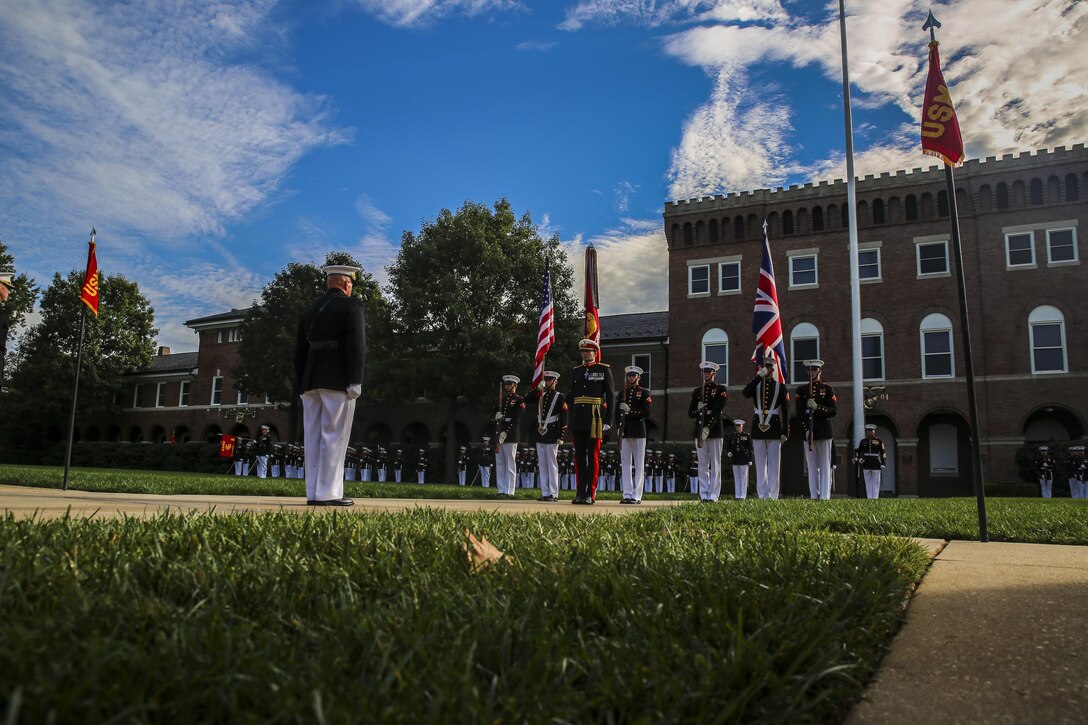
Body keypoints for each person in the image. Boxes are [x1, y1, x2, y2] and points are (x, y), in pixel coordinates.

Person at [294, 263, 366, 506]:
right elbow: (356, 344)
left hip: (310, 379)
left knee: (312, 437)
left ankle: (313, 493)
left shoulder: (309, 311)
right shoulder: (351, 305)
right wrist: (355, 379)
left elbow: (299, 352)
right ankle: (329, 493)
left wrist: (301, 384)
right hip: (337, 379)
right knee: (334, 436)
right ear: (347, 283)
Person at [568, 338, 615, 504]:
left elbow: (610, 395)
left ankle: (590, 493)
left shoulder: (603, 369)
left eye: (588, 351)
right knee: (579, 457)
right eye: (583, 351)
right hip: (578, 419)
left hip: (595, 419)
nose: (585, 354)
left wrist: (607, 420)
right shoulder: (577, 371)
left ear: (595, 353)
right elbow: (572, 396)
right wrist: (570, 420)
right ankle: (580, 492)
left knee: (592, 456)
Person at [743, 349, 790, 500]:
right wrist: (758, 377)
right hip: (758, 427)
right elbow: (745, 393)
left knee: (774, 465)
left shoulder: (781, 387)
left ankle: (773, 495)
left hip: (774, 427)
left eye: (769, 367)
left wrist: (785, 431)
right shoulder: (756, 384)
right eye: (764, 367)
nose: (766, 370)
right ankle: (762, 494)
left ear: (773, 369)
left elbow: (786, 411)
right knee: (760, 464)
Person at [795, 359, 837, 500]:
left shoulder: (828, 389)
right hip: (809, 432)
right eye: (810, 370)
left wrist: (817, 407)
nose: (812, 372)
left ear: (819, 371)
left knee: (825, 465)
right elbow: (800, 414)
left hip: (824, 431)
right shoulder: (801, 391)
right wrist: (806, 430)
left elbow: (833, 410)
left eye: (814, 370)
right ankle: (814, 495)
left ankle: (825, 496)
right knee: (811, 466)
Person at [689, 361, 728, 503]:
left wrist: (708, 428)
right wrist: (697, 409)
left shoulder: (720, 389)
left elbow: (717, 410)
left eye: (709, 372)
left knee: (715, 463)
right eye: (704, 372)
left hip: (715, 431)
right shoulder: (697, 391)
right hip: (699, 431)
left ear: (714, 374)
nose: (706, 374)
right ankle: (704, 493)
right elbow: (691, 413)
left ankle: (714, 494)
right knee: (702, 464)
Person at [528, 370, 567, 502]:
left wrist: (561, 435)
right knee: (542, 464)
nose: (547, 382)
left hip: (552, 432)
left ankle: (553, 493)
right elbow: (527, 399)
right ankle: (545, 492)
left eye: (550, 380)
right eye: (546, 380)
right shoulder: (541, 395)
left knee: (552, 463)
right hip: (540, 432)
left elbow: (564, 417)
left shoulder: (560, 397)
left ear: (555, 382)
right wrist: (536, 389)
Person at [616, 365, 652, 504]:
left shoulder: (644, 393)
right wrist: (619, 427)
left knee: (638, 463)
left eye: (633, 375)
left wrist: (630, 411)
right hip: (625, 431)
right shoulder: (622, 393)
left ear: (638, 377)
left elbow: (647, 412)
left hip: (638, 431)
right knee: (625, 463)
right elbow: (617, 412)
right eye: (629, 376)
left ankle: (636, 495)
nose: (631, 377)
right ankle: (627, 493)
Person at [492, 375, 525, 497]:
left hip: (510, 436)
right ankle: (501, 489)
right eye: (506, 384)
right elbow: (493, 416)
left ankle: (510, 490)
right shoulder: (501, 400)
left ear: (514, 386)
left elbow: (517, 420)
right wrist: (496, 416)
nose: (507, 387)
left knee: (510, 464)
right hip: (499, 434)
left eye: (509, 384)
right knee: (500, 464)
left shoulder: (519, 400)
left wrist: (506, 432)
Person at [855, 424, 888, 499]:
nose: (870, 432)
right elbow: (859, 451)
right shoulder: (863, 441)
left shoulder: (878, 441)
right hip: (866, 462)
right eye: (868, 431)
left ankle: (875, 497)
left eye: (871, 430)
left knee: (876, 482)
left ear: (874, 431)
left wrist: (883, 462)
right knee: (868, 482)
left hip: (875, 462)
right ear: (866, 432)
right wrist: (859, 458)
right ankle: (869, 497)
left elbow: (883, 452)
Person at [725, 419, 754, 500]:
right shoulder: (732, 436)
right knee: (737, 478)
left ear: (742, 426)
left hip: (744, 459)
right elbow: (728, 446)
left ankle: (743, 496)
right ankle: (737, 495)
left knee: (743, 478)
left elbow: (750, 448)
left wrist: (750, 459)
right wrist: (729, 452)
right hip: (735, 459)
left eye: (739, 426)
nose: (738, 428)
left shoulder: (746, 435)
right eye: (737, 426)